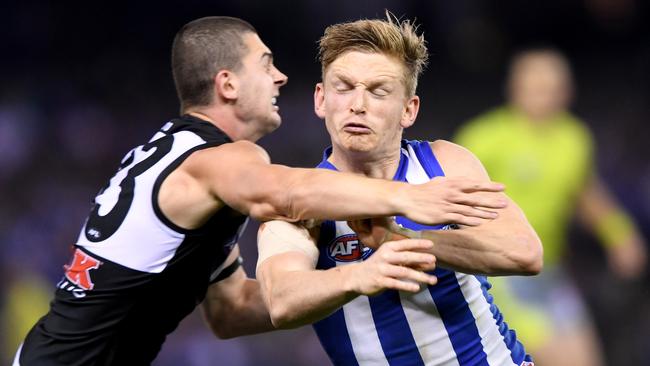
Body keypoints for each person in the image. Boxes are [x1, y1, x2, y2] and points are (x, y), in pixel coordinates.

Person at [13, 16, 511, 366]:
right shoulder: (224, 159)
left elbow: (232, 312)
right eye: (267, 63)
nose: (280, 76)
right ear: (228, 84)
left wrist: (329, 280)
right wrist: (404, 199)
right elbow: (287, 194)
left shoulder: (175, 162)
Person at [256, 14, 543, 366]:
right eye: (343, 87)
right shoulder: (300, 200)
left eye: (378, 91)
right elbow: (281, 301)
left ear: (409, 109)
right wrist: (360, 274)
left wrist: (399, 242)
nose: (357, 105)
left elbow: (524, 253)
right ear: (321, 100)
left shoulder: (444, 163)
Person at [454, 48, 647, 366]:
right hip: (500, 271)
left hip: (550, 271)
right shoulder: (484, 137)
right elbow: (450, 199)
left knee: (586, 360)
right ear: (515, 88)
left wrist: (620, 236)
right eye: (535, 87)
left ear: (566, 92)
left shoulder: (575, 137)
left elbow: (583, 192)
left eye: (552, 88)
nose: (543, 96)